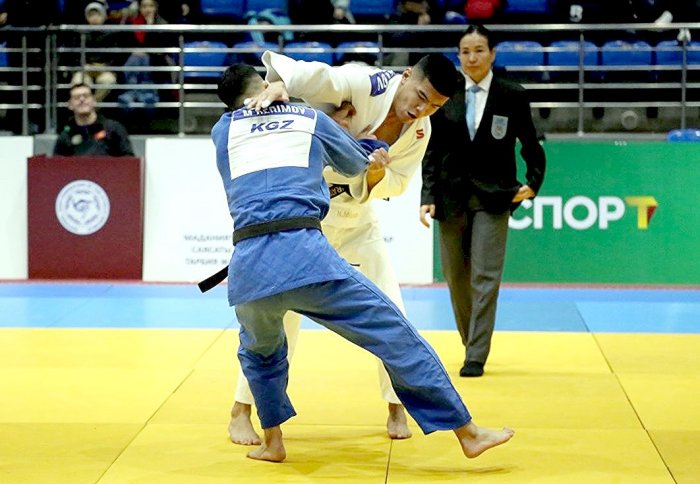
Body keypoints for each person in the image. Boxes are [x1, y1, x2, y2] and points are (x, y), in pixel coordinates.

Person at [212, 62, 514, 462]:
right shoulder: (310, 119)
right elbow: (356, 158)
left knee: (261, 354)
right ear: (267, 89)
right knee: (394, 332)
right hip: (307, 253)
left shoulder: (222, 132)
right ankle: (467, 432)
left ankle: (273, 442)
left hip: (250, 266)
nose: (423, 109)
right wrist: (340, 133)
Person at [420, 25, 546, 377]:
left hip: (495, 196)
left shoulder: (512, 94)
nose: (472, 57)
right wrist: (427, 194)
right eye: (465, 51)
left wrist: (533, 183)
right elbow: (432, 149)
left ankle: (476, 354)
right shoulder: (446, 93)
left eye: (478, 50)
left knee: (485, 276)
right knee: (456, 277)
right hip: (450, 196)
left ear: (492, 54)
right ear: (458, 56)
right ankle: (470, 341)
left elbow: (530, 144)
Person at [54, 83, 135, 156]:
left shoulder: (113, 128)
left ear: (94, 101)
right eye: (77, 97)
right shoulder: (66, 135)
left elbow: (128, 159)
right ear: (70, 105)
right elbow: (56, 164)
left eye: (86, 96)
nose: (82, 100)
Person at [70, 2, 125, 102]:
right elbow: (75, 56)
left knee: (108, 81)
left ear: (103, 16)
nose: (94, 18)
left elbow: (117, 57)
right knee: (78, 81)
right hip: (85, 69)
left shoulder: (112, 34)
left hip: (105, 69)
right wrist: (84, 66)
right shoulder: (81, 34)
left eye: (97, 15)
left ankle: (93, 106)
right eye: (91, 15)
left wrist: (106, 67)